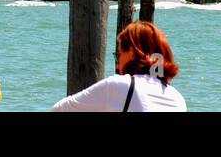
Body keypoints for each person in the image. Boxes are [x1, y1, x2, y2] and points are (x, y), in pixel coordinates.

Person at [50, 21, 185, 112]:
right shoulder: (177, 98)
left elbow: (59, 109)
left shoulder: (121, 85)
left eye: (119, 55)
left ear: (132, 53)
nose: (117, 64)